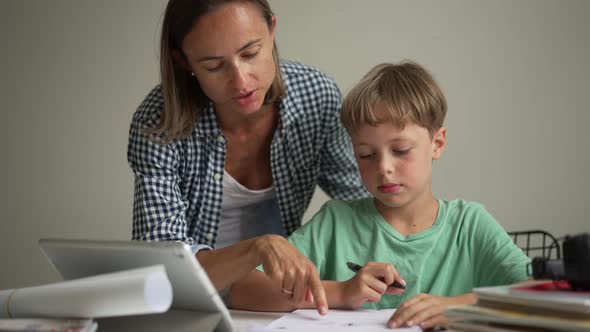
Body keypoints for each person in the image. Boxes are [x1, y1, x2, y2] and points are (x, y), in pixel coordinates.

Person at [229, 61, 530, 329]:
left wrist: (458, 306)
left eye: (400, 151)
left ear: (437, 143)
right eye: (366, 154)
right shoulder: (336, 222)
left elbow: (543, 289)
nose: (384, 168)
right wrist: (344, 291)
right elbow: (244, 289)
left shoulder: (469, 225)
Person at [127, 0, 367, 315]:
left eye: (251, 53)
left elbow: (361, 200)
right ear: (184, 61)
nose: (241, 81)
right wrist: (257, 248)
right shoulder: (160, 123)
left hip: (275, 301)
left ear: (272, 30)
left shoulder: (317, 96)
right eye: (214, 66)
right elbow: (164, 267)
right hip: (193, 305)